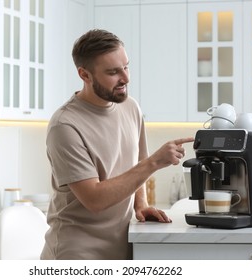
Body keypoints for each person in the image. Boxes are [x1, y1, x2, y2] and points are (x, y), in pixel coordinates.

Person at [41, 29, 194, 260]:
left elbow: (136, 165)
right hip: (76, 255)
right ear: (85, 75)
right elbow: (95, 199)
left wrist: (140, 204)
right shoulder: (65, 125)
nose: (125, 78)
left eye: (126, 66)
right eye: (113, 72)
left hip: (121, 248)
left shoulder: (130, 107)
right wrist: (154, 162)